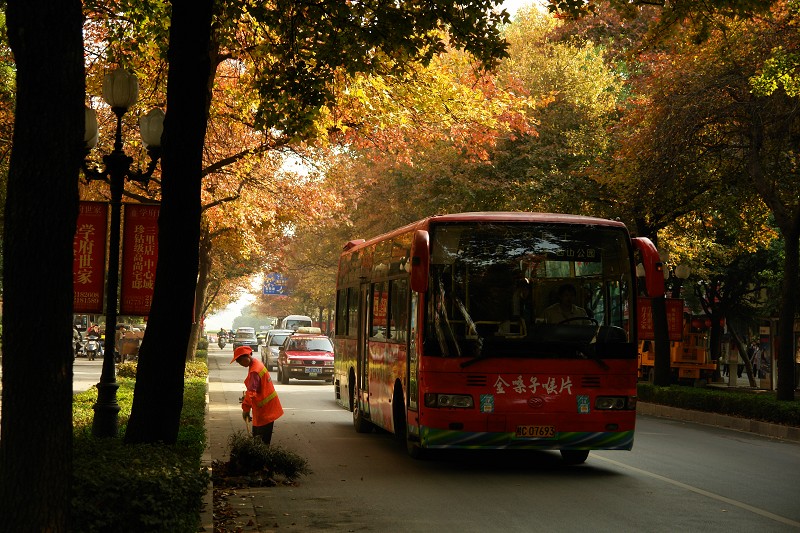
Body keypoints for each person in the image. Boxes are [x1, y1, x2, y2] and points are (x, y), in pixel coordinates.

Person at [231, 345, 284, 445]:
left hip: (265, 411)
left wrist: (245, 410)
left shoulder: (255, 371)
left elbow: (251, 393)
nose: (240, 364)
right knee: (262, 440)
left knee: (260, 442)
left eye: (240, 361)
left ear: (247, 357)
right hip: (267, 409)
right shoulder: (256, 364)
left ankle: (261, 460)